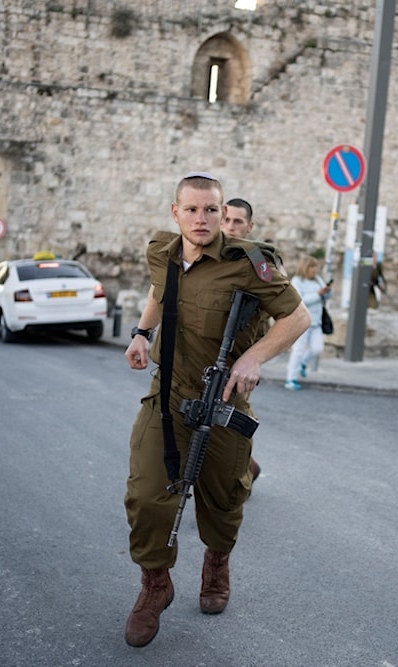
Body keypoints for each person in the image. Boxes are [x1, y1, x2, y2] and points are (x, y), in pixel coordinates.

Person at [122, 172, 308, 648]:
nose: (202, 219)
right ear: (176, 212)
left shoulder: (248, 263)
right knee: (146, 496)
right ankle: (155, 585)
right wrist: (142, 334)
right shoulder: (161, 252)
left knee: (224, 499)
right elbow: (159, 294)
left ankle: (216, 564)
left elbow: (297, 317)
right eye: (192, 210)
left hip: (223, 400)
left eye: (211, 210)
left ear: (222, 212)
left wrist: (253, 358)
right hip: (166, 396)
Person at [221, 197, 268, 483]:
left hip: (241, 356)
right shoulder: (206, 253)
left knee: (234, 419)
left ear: (249, 226)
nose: (230, 227)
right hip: (206, 352)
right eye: (225, 220)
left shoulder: (260, 261)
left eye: (238, 222)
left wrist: (256, 357)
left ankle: (243, 477)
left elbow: (284, 307)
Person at [285, 256, 331, 390]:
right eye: (312, 267)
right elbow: (300, 301)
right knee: (298, 350)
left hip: (316, 321)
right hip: (302, 322)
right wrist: (318, 294)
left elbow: (326, 297)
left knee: (317, 348)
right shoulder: (297, 281)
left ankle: (303, 363)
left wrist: (327, 291)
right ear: (305, 267)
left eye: (315, 267)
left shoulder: (318, 280)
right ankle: (290, 378)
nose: (314, 270)